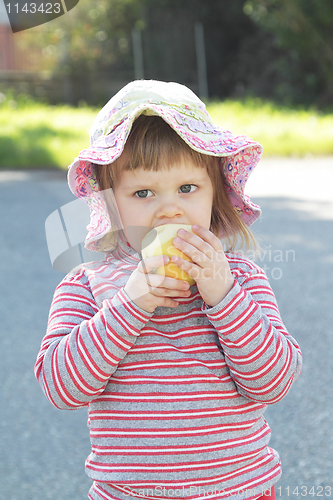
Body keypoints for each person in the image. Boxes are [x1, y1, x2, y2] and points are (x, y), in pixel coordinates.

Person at [35, 80, 302, 500]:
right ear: (110, 204)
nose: (170, 209)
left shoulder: (240, 279)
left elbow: (274, 381)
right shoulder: (86, 284)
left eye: (187, 188)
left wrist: (225, 296)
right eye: (143, 192)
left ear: (215, 194)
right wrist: (131, 303)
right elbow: (61, 386)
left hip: (240, 491)